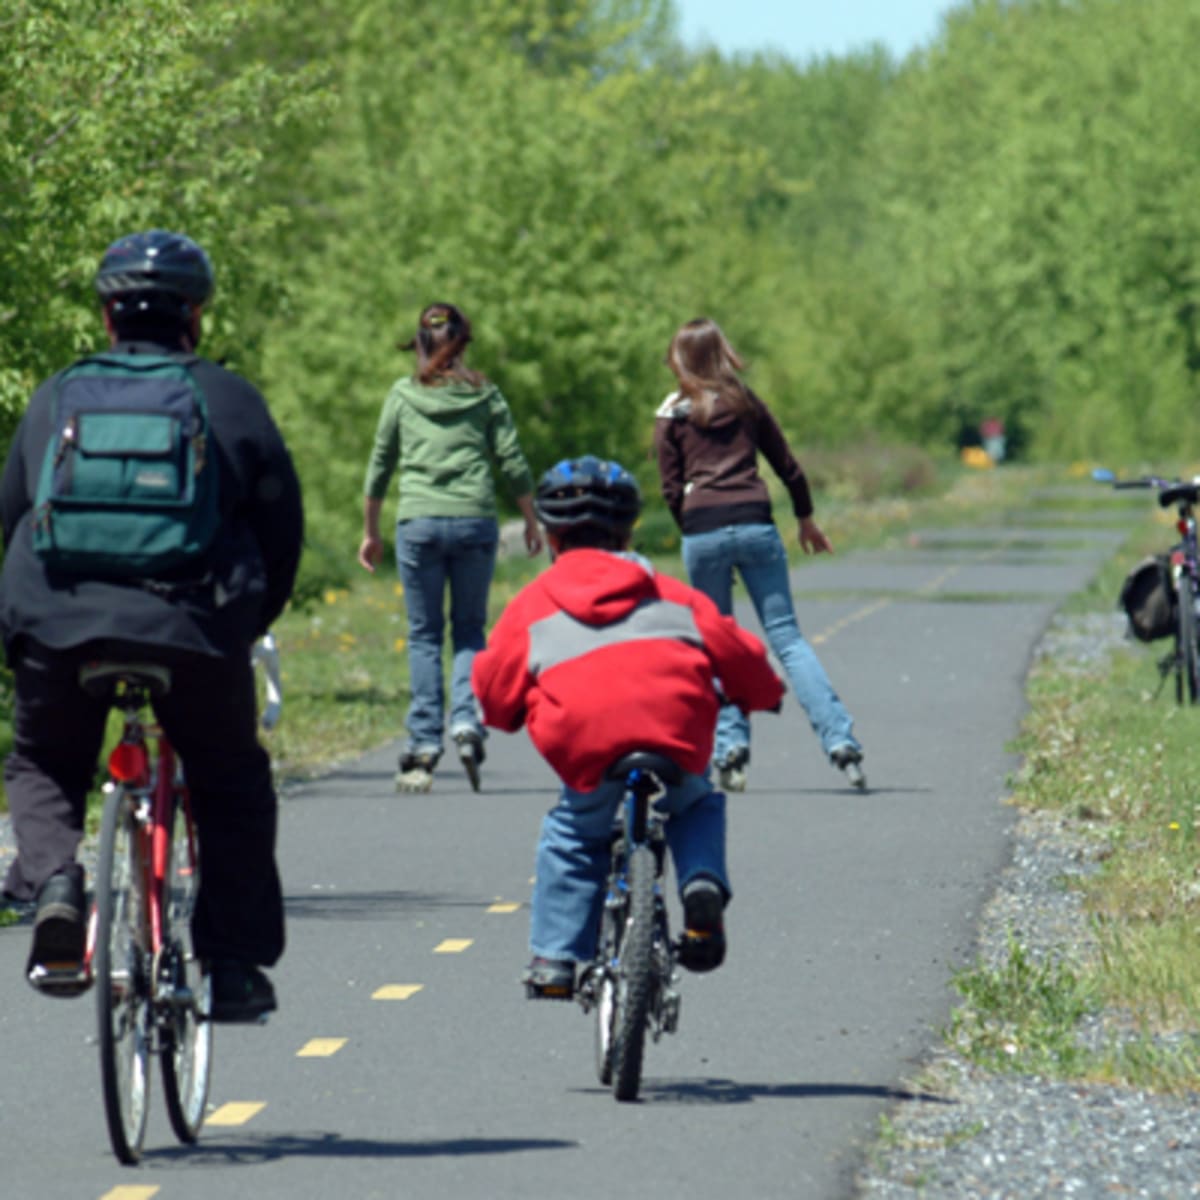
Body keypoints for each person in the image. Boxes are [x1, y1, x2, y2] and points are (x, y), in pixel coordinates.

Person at [0, 229, 304, 1021]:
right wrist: (246, 624)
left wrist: (21, 633)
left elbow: (11, 519)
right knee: (230, 779)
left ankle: (57, 884)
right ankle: (234, 966)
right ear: (194, 317)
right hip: (192, 624)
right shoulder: (226, 398)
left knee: (43, 764)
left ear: (107, 317)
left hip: (59, 619)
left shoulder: (58, 395)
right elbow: (280, 531)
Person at [471, 455, 784, 997]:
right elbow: (742, 656)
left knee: (573, 833)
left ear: (549, 535)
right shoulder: (672, 595)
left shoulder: (532, 605)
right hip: (675, 732)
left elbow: (495, 692)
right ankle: (702, 884)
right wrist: (761, 694)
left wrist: (504, 714)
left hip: (584, 743)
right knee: (694, 803)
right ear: (628, 529)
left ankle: (555, 959)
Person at [653, 317, 866, 792]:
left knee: (716, 643)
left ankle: (730, 746)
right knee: (788, 638)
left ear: (681, 360)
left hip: (703, 529)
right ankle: (840, 742)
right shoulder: (746, 403)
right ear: (720, 353)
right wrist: (806, 519)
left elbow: (670, 489)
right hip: (755, 521)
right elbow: (787, 465)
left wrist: (697, 534)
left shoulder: (671, 413)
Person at [359, 302, 542, 794]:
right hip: (473, 521)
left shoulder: (402, 395)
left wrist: (371, 530)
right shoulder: (484, 394)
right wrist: (530, 517)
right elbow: (511, 458)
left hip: (418, 521)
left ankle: (422, 743)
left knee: (423, 634)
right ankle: (465, 721)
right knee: (467, 630)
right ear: (463, 345)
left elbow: (380, 463)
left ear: (420, 344)